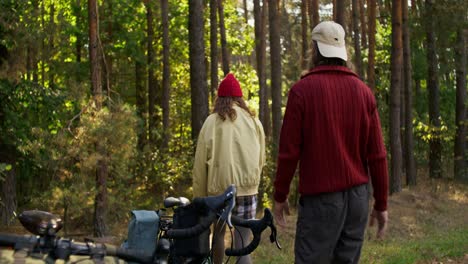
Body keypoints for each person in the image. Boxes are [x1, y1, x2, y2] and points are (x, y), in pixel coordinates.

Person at [273, 21, 389, 264]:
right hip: (358, 199)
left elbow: (288, 153)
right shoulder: (363, 92)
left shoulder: (302, 92)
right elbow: (377, 155)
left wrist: (280, 195)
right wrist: (381, 203)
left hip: (321, 201)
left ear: (315, 50)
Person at [192, 73, 266, 264]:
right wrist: (252, 183)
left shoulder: (211, 122)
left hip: (218, 194)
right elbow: (261, 159)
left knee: (217, 237)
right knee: (243, 244)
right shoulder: (254, 122)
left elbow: (200, 166)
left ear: (220, 98)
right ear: (240, 98)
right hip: (248, 191)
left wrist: (199, 200)